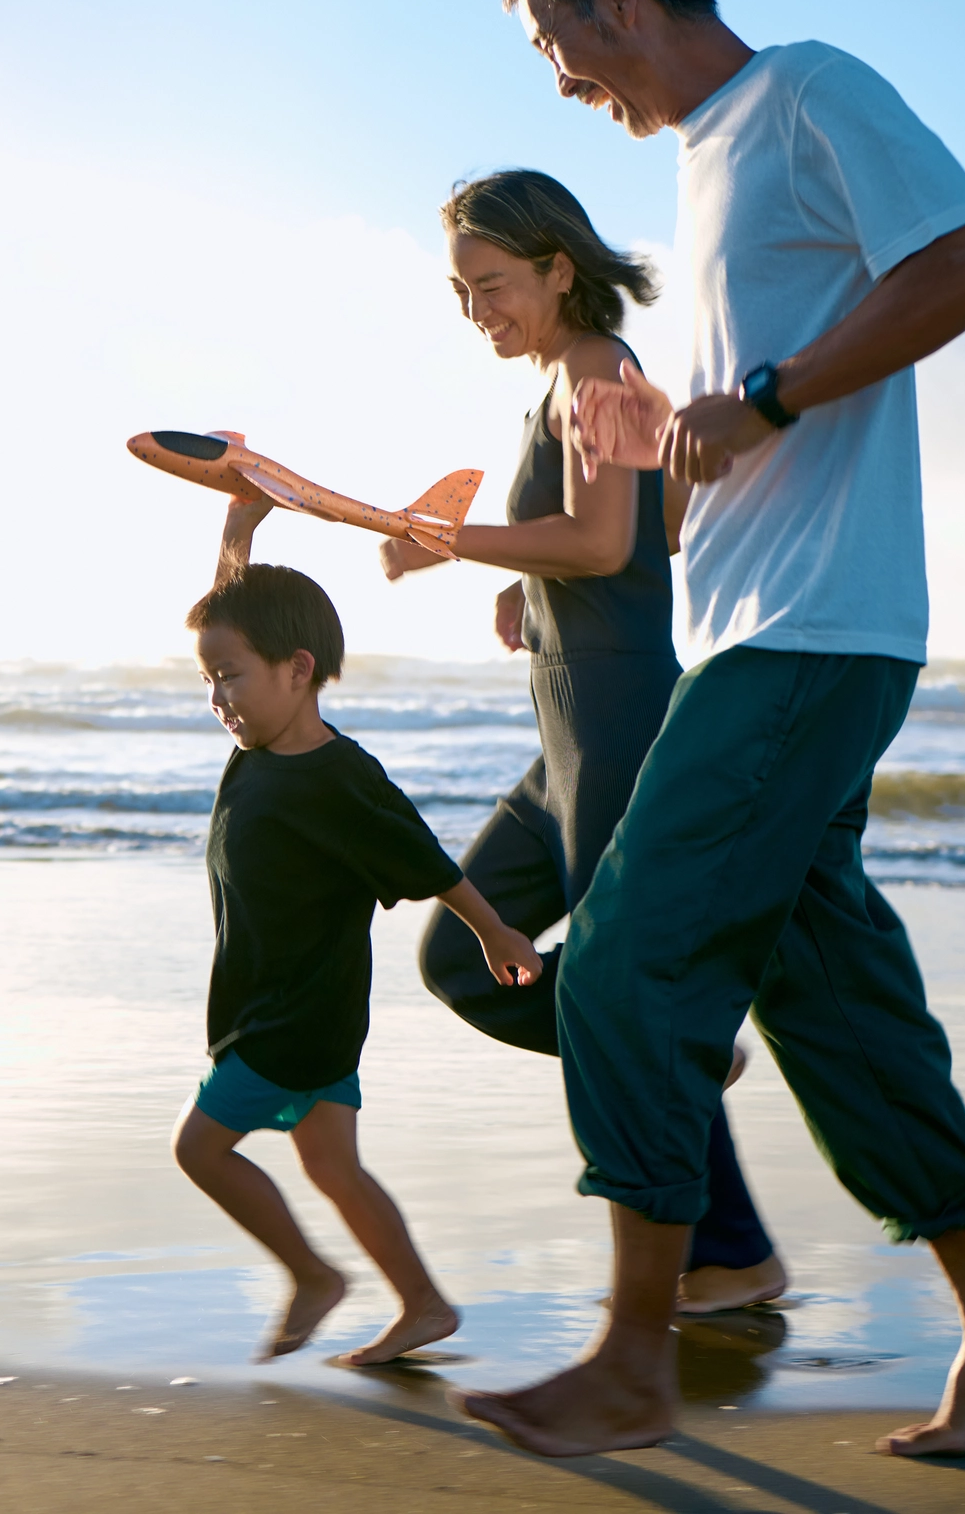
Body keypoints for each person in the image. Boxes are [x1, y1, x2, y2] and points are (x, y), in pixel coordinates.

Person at [454, 0, 965, 1460]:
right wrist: (665, 442)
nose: (561, 83)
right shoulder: (702, 163)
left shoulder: (807, 90)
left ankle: (633, 1355)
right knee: (834, 1002)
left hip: (814, 635)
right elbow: (747, 420)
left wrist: (773, 396)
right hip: (748, 626)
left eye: (555, 45)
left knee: (619, 965)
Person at [380, 167, 785, 1315]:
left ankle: (731, 1250)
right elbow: (657, 519)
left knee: (623, 995)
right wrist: (525, 585)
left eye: (493, 285)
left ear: (560, 264)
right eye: (462, 293)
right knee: (461, 953)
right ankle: (683, 1065)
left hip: (615, 722)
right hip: (565, 731)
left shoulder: (601, 369)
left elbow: (606, 543)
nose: (478, 313)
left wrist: (455, 541)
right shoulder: (575, 378)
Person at [174, 504, 545, 1366]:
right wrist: (239, 521)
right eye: (207, 680)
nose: (217, 698)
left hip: (292, 1016)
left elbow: (427, 858)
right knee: (334, 1168)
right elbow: (231, 602)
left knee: (199, 1149)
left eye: (228, 676)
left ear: (297, 670)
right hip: (307, 1005)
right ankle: (422, 1305)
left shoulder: (337, 779)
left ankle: (311, 1275)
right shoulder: (263, 745)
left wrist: (494, 933)